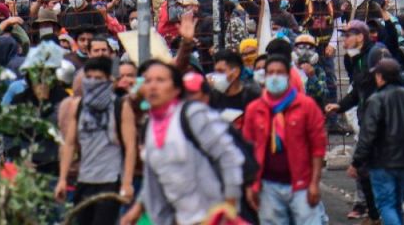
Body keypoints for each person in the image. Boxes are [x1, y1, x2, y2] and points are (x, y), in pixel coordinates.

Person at [119, 60, 245, 225]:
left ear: (176, 89)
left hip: (211, 215)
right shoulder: (150, 125)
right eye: (148, 81)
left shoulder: (193, 115)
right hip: (175, 218)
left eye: (160, 80)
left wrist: (230, 204)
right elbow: (154, 177)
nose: (153, 86)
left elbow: (229, 156)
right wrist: (137, 209)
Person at [241, 53, 327, 224]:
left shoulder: (306, 106)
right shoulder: (254, 109)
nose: (274, 77)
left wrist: (315, 183)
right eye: (270, 72)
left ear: (288, 76)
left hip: (301, 183)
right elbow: (247, 149)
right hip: (268, 185)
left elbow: (318, 147)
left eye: (279, 73)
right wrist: (251, 184)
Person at [56, 56, 136, 224]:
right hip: (84, 179)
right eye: (89, 78)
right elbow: (69, 143)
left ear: (109, 80)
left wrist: (127, 183)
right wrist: (62, 178)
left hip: (110, 180)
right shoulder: (78, 107)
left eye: (98, 78)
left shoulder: (120, 107)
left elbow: (130, 147)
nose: (92, 82)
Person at [349, 57, 404, 225]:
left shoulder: (376, 99)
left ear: (381, 77)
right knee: (396, 202)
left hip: (381, 160)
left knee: (386, 204)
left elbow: (367, 134)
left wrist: (357, 161)